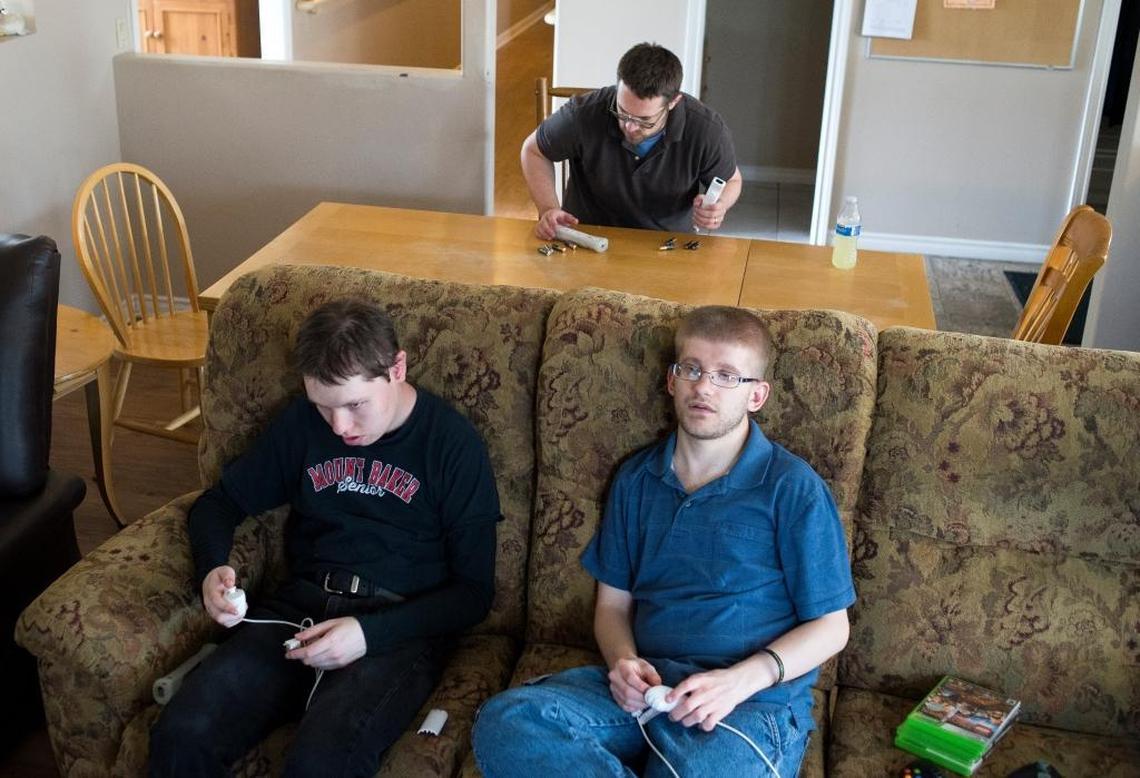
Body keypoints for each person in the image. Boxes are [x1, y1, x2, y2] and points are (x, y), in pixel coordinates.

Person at [472, 306, 854, 777]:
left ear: (757, 395)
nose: (704, 387)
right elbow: (612, 607)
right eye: (691, 369)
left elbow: (833, 628)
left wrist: (739, 681)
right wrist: (624, 662)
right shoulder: (636, 479)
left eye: (726, 376)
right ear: (672, 380)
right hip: (647, 691)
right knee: (509, 721)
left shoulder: (791, 488)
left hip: (747, 704)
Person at [149, 299, 501, 777]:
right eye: (323, 406)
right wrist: (213, 567)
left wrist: (367, 634)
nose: (339, 427)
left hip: (394, 627)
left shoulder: (452, 445)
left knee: (320, 764)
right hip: (297, 609)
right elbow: (218, 504)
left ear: (397, 368)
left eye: (355, 405)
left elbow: (474, 594)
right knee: (181, 733)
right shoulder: (301, 425)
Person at [522, 42, 743, 240]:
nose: (629, 126)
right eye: (622, 112)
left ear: (674, 102)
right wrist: (548, 209)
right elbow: (533, 151)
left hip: (667, 242)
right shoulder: (584, 112)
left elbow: (732, 180)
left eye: (645, 120)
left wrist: (719, 205)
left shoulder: (705, 128)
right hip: (587, 236)